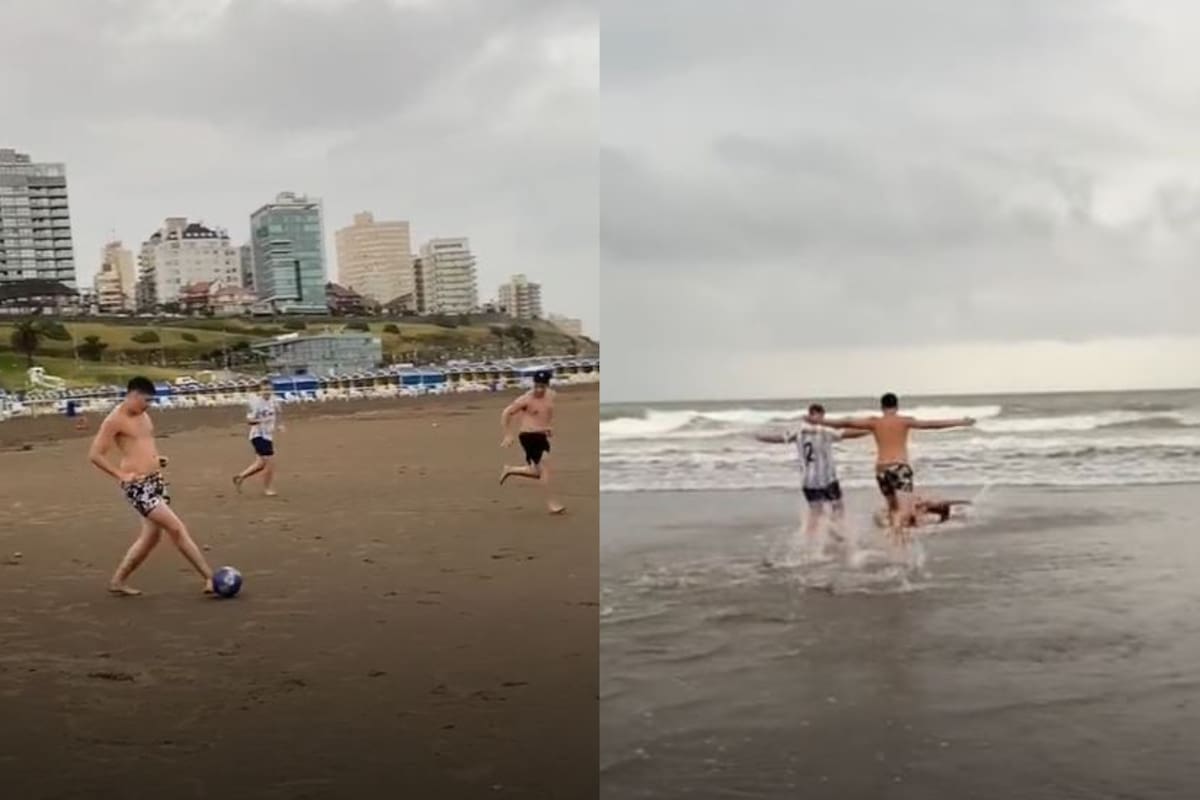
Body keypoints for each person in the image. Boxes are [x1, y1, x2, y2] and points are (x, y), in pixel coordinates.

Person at [88, 376, 215, 596]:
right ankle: (210, 577)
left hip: (156, 480)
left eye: (151, 401)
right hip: (138, 486)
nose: (148, 405)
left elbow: (143, 444)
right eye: (146, 400)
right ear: (133, 395)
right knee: (176, 528)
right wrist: (120, 475)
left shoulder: (144, 416)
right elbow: (95, 455)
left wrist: (157, 459)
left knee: (151, 537)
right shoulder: (114, 420)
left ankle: (118, 581)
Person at [810, 393, 975, 549]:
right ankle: (899, 539)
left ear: (882, 407)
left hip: (881, 470)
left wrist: (819, 422)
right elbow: (932, 425)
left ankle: (896, 542)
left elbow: (845, 422)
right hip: (899, 467)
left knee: (893, 509)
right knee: (906, 509)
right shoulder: (904, 421)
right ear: (896, 407)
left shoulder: (874, 422)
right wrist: (961, 422)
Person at [755, 403, 869, 552]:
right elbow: (847, 433)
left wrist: (758, 437)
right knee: (838, 506)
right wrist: (871, 430)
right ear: (820, 415)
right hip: (827, 478)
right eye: (821, 416)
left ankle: (809, 543)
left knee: (815, 512)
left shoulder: (798, 431)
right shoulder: (824, 430)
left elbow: (777, 438)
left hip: (808, 481)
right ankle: (836, 533)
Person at [499, 370, 565, 514]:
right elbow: (506, 413)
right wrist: (508, 435)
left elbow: (545, 412)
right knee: (545, 468)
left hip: (542, 436)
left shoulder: (551, 395)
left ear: (547, 385)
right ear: (533, 384)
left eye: (542, 386)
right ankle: (552, 504)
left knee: (536, 472)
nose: (539, 390)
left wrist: (548, 427)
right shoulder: (525, 399)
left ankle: (510, 469)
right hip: (528, 436)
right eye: (536, 386)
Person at [233, 379, 283, 496]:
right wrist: (261, 420)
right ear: (260, 390)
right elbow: (249, 421)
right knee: (270, 463)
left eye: (269, 389)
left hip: (268, 436)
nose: (267, 392)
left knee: (261, 464)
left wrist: (280, 424)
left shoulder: (274, 401)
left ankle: (240, 477)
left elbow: (279, 412)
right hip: (258, 435)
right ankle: (267, 488)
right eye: (264, 389)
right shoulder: (256, 403)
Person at [873, 496, 972, 528]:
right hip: (930, 509)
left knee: (940, 508)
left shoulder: (938, 507)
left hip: (930, 509)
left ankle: (961, 510)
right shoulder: (938, 507)